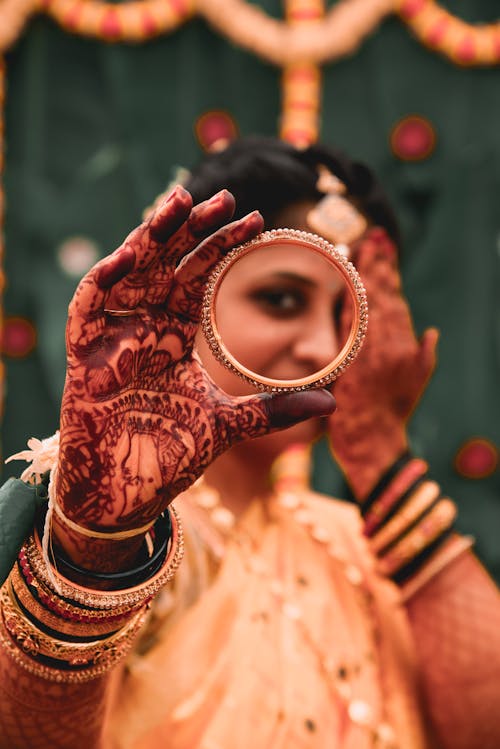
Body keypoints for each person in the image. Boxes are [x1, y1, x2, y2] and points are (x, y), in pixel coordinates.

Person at [0, 137, 499, 749]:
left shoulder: (353, 541)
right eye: (281, 299)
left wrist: (382, 457)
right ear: (182, 300)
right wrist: (94, 550)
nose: (323, 349)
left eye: (349, 318)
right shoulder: (127, 529)